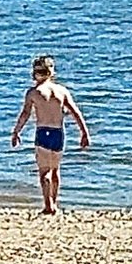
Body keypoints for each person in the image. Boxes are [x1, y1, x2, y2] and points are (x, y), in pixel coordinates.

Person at [10, 55, 94, 213]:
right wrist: (84, 132)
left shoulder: (34, 93)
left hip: (43, 132)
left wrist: (16, 131)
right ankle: (54, 202)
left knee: (44, 171)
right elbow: (76, 112)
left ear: (34, 73)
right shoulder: (61, 91)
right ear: (51, 72)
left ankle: (48, 205)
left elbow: (25, 114)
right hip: (58, 133)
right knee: (55, 170)